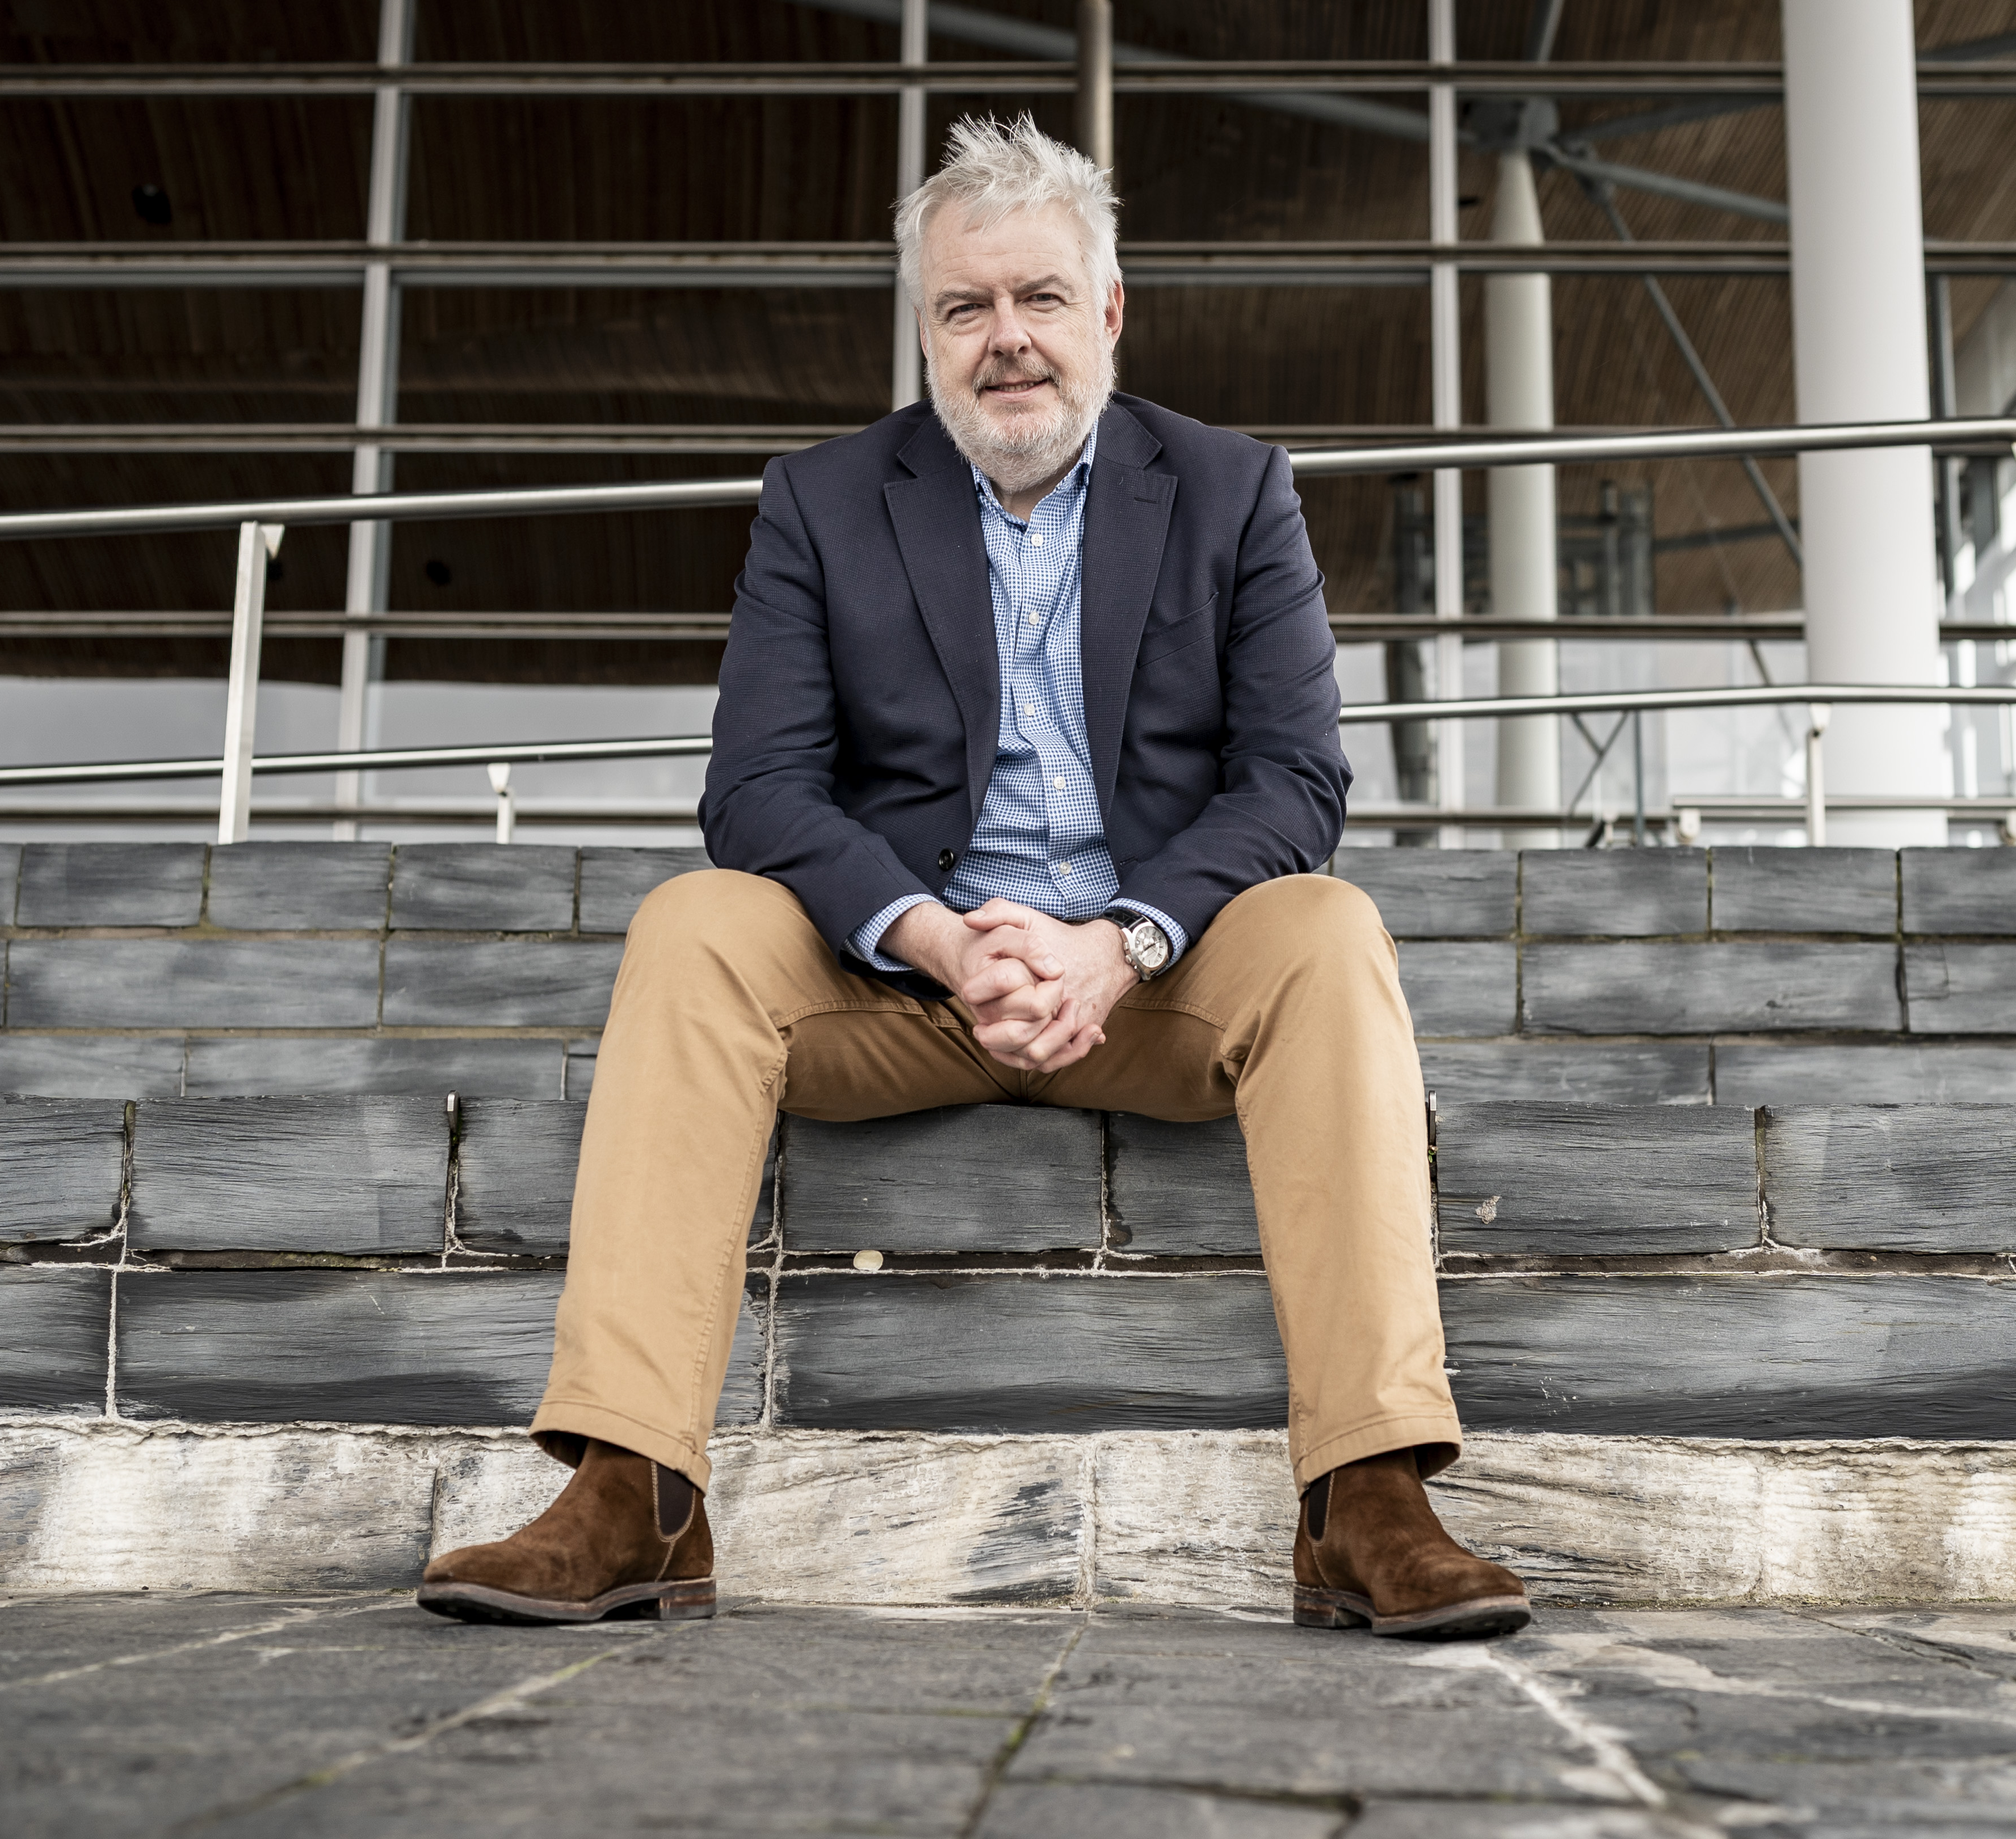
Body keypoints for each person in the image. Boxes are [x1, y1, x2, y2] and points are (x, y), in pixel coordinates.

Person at [418, 115, 1528, 1643]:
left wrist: (1123, 942)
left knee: (1330, 933)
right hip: (900, 987)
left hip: (1155, 988)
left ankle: (1367, 1497)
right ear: (927, 329)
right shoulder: (823, 502)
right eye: (966, 307)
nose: (1008, 340)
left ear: (1109, 310)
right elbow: (756, 789)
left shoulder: (1232, 491)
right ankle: (636, 1492)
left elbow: (1296, 784)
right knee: (692, 928)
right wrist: (935, 936)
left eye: (1041, 299)